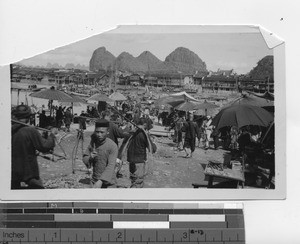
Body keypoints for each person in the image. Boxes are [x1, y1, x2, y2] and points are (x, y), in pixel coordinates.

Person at [11, 105, 57, 189]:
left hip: (12, 170)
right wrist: (52, 134)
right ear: (29, 117)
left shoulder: (9, 130)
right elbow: (45, 146)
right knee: (38, 190)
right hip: (28, 170)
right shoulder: (30, 130)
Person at [82, 119, 118, 188]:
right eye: (97, 132)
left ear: (107, 132)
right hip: (95, 180)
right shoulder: (93, 143)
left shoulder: (112, 146)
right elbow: (85, 157)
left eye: (102, 132)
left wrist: (101, 181)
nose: (99, 135)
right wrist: (90, 157)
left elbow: (111, 166)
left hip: (109, 183)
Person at [127, 118, 157, 188]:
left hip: (131, 160)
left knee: (133, 180)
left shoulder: (133, 132)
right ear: (145, 125)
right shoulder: (143, 134)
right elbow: (152, 149)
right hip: (139, 162)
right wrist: (154, 143)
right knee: (138, 182)